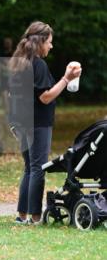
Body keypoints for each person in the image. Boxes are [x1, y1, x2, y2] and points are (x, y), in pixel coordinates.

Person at [7, 21, 81, 224]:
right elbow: (45, 97)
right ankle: (35, 217)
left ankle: (22, 215)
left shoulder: (18, 62)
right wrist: (66, 79)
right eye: (49, 42)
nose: (51, 46)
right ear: (40, 42)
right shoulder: (38, 64)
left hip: (21, 123)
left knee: (29, 167)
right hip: (37, 123)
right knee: (37, 168)